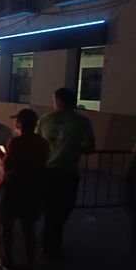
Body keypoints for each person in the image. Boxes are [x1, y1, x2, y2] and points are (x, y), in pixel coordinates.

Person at [36, 87, 95, 258]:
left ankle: (47, 244)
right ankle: (52, 244)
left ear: (58, 100)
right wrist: (73, 148)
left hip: (47, 172)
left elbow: (37, 143)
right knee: (62, 210)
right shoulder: (83, 122)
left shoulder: (44, 119)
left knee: (49, 209)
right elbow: (90, 148)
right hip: (68, 173)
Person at [0, 109, 49, 270]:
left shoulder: (15, 142)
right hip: (33, 190)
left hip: (13, 189)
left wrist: (3, 156)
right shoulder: (43, 143)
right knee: (29, 229)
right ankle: (30, 266)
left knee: (7, 226)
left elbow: (7, 166)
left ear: (18, 124)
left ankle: (7, 261)